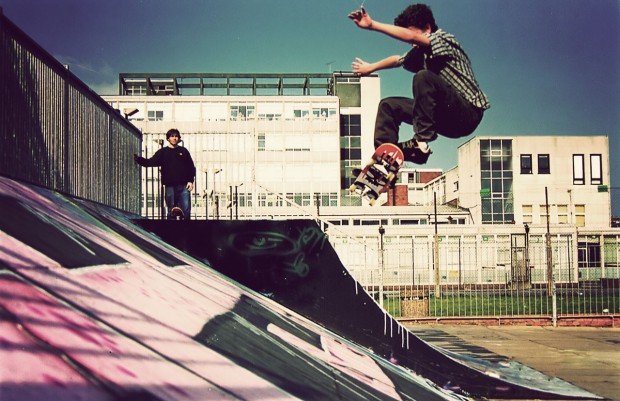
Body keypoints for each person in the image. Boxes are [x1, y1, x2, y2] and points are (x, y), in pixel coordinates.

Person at [348, 4, 490, 164]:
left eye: (410, 34)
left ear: (427, 28)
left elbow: (412, 37)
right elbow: (397, 60)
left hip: (467, 113)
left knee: (423, 77)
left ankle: (420, 142)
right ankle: (386, 157)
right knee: (388, 106)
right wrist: (371, 67)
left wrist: (373, 25)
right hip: (444, 119)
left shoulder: (443, 39)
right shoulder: (420, 53)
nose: (412, 45)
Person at [134, 128, 196, 219]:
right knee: (171, 210)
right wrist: (138, 159)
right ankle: (170, 230)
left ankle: (186, 230)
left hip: (183, 186)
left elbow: (191, 167)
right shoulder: (163, 152)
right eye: (172, 136)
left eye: (176, 136)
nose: (174, 138)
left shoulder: (183, 151)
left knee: (186, 210)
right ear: (168, 138)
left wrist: (191, 181)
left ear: (179, 138)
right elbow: (150, 162)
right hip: (169, 185)